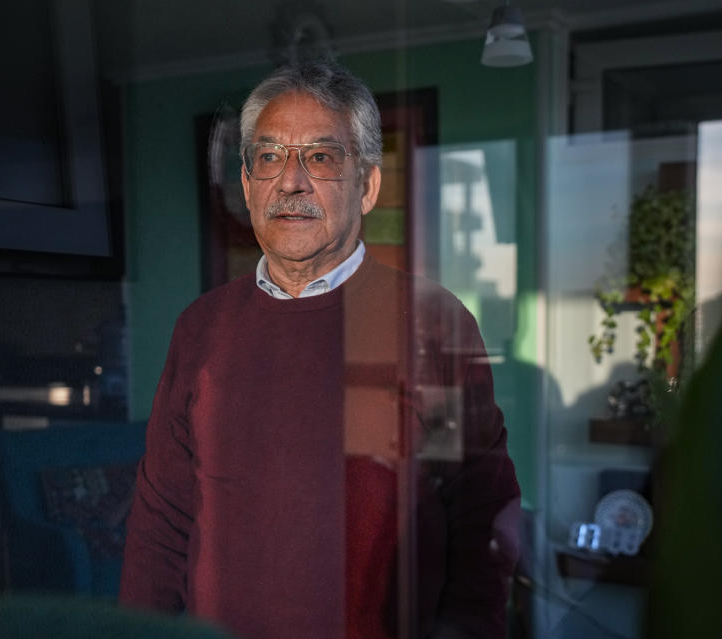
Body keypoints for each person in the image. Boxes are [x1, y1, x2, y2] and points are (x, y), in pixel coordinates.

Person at [120, 60, 520, 639]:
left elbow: (481, 518)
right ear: (249, 183)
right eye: (270, 156)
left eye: (321, 157)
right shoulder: (201, 327)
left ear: (368, 186)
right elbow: (161, 521)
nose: (291, 181)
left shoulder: (433, 323)